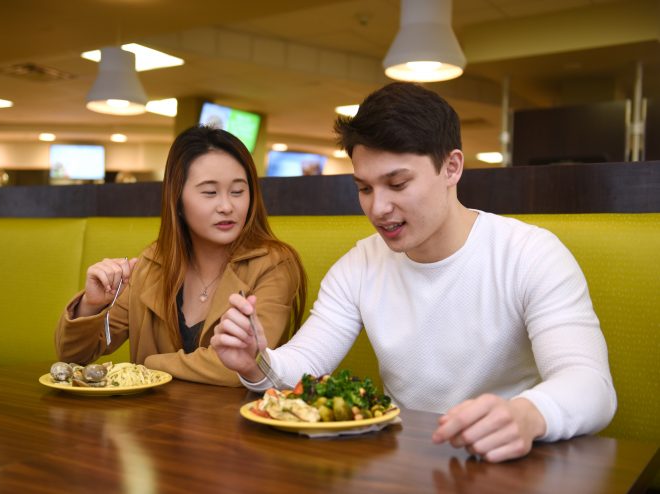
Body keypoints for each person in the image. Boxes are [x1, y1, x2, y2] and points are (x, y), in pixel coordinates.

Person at [211, 82, 616, 461]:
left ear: (451, 168)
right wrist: (255, 362)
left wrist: (528, 414)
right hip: (402, 463)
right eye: (365, 188)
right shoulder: (360, 264)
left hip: (505, 463)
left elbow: (590, 386)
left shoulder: (529, 254)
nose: (377, 208)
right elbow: (300, 368)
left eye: (398, 184)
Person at [55, 126, 306, 386]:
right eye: (209, 192)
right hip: (155, 422)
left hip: (236, 421)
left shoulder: (273, 264)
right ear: (177, 200)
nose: (226, 206)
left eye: (238, 191)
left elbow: (242, 366)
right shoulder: (153, 264)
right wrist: (90, 305)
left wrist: (149, 364)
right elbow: (74, 356)